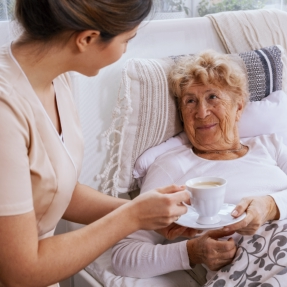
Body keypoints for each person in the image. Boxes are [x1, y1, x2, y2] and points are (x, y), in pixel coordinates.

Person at [0, 1, 194, 287]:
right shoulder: (6, 110)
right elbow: (20, 271)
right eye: (126, 41)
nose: (126, 50)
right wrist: (132, 216)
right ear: (87, 39)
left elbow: (54, 190)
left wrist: (150, 212)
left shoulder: (55, 77)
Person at [111, 50, 287, 285]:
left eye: (213, 97)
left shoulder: (271, 145)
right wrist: (191, 252)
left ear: (238, 108)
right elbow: (124, 255)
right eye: (190, 101)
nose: (202, 112)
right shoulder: (171, 166)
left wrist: (270, 205)